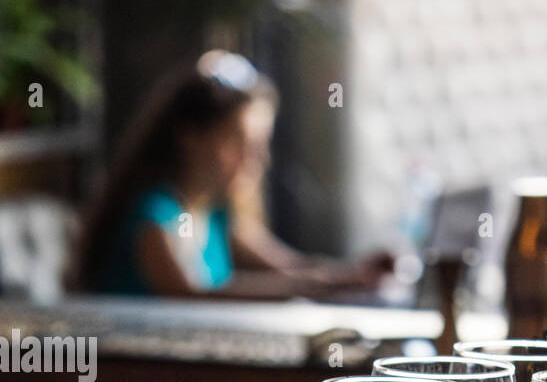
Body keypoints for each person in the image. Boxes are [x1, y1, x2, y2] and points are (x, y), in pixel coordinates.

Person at [72, 50, 391, 298]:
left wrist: (353, 274)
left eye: (260, 145)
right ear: (190, 139)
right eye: (238, 143)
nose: (257, 160)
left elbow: (288, 266)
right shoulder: (155, 214)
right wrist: (312, 287)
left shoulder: (216, 213)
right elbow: (189, 297)